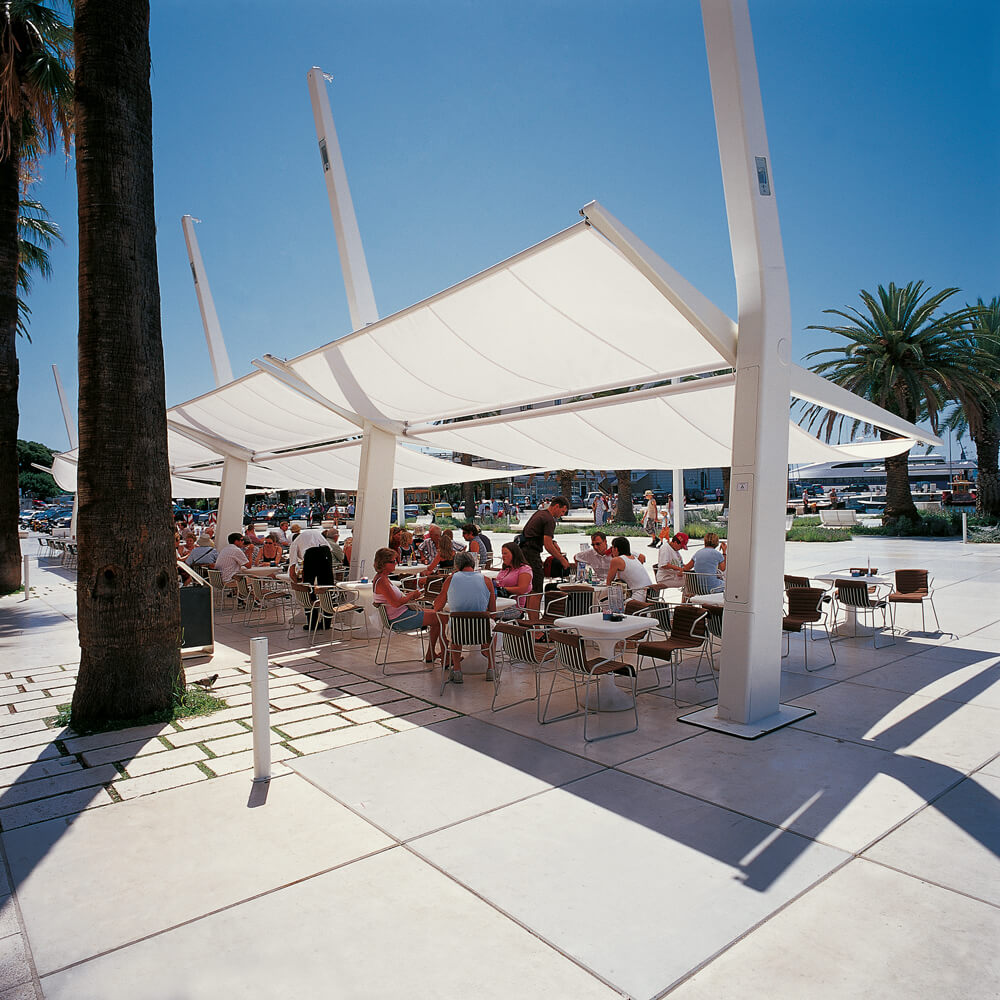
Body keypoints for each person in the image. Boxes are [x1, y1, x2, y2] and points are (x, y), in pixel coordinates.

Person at [434, 551, 497, 684]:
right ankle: (491, 667)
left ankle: (457, 670)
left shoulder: (450, 579)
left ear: (457, 566)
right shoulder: (486, 580)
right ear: (473, 564)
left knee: (454, 624)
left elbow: (437, 606)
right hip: (482, 633)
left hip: (458, 633)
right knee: (492, 626)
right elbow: (493, 612)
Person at [372, 547, 441, 663]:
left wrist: (409, 595)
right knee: (438, 617)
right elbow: (396, 603)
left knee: (438, 614)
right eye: (393, 561)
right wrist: (411, 595)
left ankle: (434, 653)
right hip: (399, 619)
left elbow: (395, 600)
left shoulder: (382, 578)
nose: (396, 563)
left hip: (400, 614)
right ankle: (437, 653)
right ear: (383, 563)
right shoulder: (382, 581)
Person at [521, 496, 571, 594]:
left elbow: (538, 535)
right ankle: (534, 604)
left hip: (522, 550)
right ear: (556, 506)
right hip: (531, 553)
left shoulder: (540, 513)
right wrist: (562, 560)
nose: (562, 515)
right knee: (537, 585)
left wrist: (553, 542)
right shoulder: (549, 520)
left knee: (529, 585)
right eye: (562, 511)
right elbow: (548, 545)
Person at [494, 542, 534, 617]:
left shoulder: (524, 569)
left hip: (514, 607)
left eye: (505, 553)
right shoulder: (505, 569)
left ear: (514, 554)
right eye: (502, 554)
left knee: (486, 613)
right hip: (500, 602)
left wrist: (503, 589)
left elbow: (522, 589)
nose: (503, 556)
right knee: (478, 609)